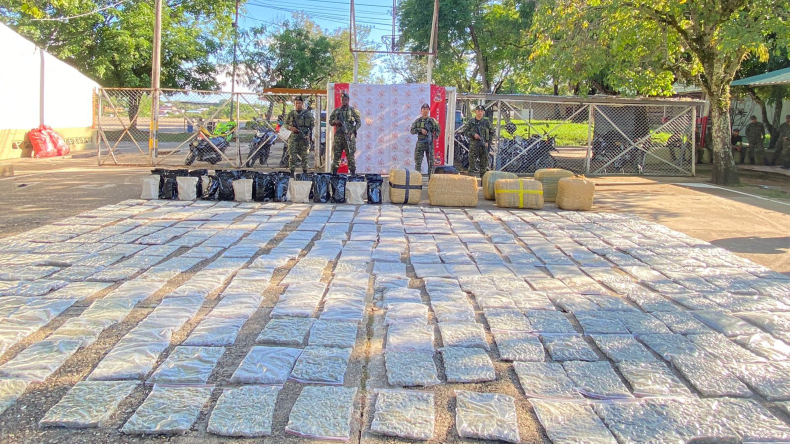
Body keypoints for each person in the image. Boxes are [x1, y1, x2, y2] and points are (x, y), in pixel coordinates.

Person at [330, 92, 362, 175]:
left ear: (348, 100)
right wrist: (335, 122)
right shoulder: (336, 111)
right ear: (341, 100)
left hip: (349, 136)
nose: (344, 101)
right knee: (336, 155)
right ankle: (334, 174)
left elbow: (359, 123)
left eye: (346, 99)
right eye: (343, 100)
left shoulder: (353, 111)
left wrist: (352, 131)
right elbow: (330, 121)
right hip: (339, 136)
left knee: (350, 156)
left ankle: (352, 174)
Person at [284, 95, 315, 177]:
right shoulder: (291, 114)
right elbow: (285, 124)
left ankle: (305, 172)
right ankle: (292, 173)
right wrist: (290, 128)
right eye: (296, 103)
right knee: (292, 156)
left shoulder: (308, 114)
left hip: (304, 137)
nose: (298, 105)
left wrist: (308, 135)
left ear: (302, 103)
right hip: (293, 138)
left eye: (299, 103)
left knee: (304, 156)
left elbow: (312, 126)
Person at [462, 105, 493, 177]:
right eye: (478, 111)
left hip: (484, 146)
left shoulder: (486, 122)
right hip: (474, 146)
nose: (480, 113)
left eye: (481, 111)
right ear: (475, 111)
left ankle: (483, 181)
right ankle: (471, 180)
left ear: (483, 112)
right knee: (471, 166)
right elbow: (465, 131)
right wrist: (473, 134)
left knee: (484, 167)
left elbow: (492, 132)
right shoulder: (471, 121)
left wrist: (488, 142)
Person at [410, 103, 440, 177]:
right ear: (421, 111)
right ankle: (417, 180)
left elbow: (438, 130)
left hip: (429, 143)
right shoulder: (418, 121)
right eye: (424, 109)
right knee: (418, 162)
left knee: (431, 163)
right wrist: (420, 130)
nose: (425, 111)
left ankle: (431, 179)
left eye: (427, 109)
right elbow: (412, 131)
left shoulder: (432, 121)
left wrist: (434, 136)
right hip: (420, 143)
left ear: (429, 110)